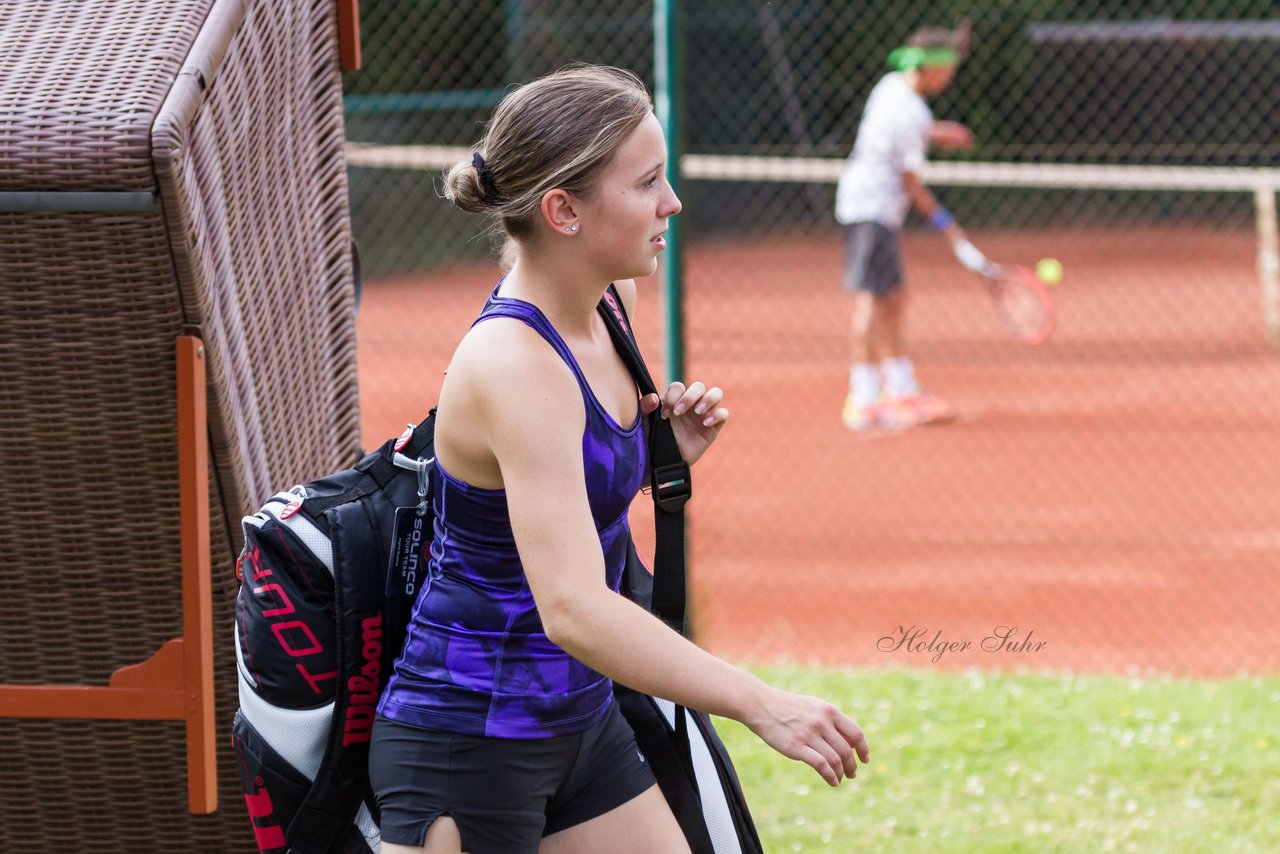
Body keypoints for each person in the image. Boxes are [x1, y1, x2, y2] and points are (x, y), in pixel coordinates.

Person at [369, 65, 870, 854]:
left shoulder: (609, 304)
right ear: (563, 210)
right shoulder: (512, 362)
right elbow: (570, 608)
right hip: (467, 741)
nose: (672, 202)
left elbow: (539, 506)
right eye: (647, 183)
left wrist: (648, 459)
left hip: (579, 725)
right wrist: (760, 703)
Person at [835, 23, 992, 430]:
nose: (952, 76)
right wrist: (946, 223)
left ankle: (901, 387)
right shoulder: (911, 109)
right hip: (871, 206)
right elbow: (910, 180)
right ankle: (864, 399)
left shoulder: (892, 86)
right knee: (873, 298)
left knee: (894, 296)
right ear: (933, 68)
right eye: (949, 69)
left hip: (868, 205)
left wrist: (939, 133)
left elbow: (898, 133)